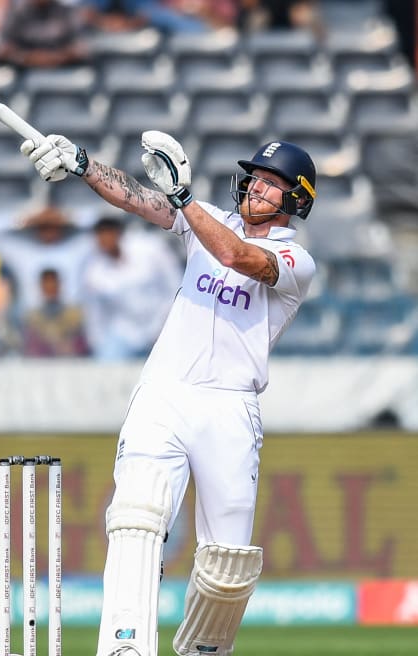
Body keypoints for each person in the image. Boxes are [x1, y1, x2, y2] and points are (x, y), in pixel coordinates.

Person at [21, 130, 317, 655]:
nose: (255, 189)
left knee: (228, 562)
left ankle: (203, 651)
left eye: (271, 185)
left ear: (296, 200)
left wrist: (184, 200)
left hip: (230, 405)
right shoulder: (205, 219)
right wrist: (84, 165)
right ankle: (125, 646)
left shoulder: (295, 262)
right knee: (136, 517)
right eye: (254, 179)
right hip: (164, 391)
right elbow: (138, 199)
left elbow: (238, 259)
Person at [79, 216, 182, 361]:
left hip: (163, 325)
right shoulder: (94, 272)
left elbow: (175, 285)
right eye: (98, 235)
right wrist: (98, 343)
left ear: (118, 233)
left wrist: (164, 325)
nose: (103, 240)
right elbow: (95, 312)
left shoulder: (151, 248)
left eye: (106, 233)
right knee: (104, 363)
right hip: (124, 333)